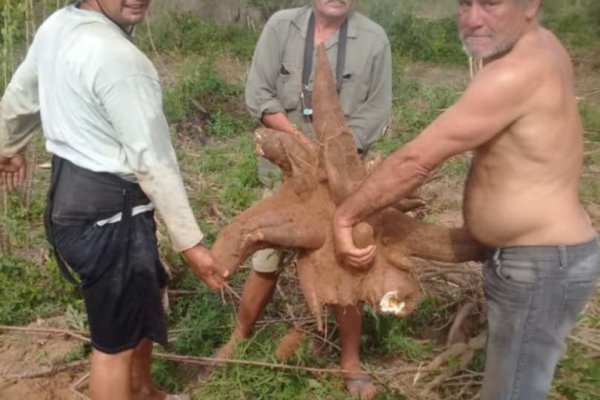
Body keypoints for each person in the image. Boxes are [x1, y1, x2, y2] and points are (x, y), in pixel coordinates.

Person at [333, 0, 600, 399]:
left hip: (540, 266)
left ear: (530, 5)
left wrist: (345, 215)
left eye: (490, 3)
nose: (473, 18)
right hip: (534, 260)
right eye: (465, 3)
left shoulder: (513, 73)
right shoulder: (542, 45)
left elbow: (415, 161)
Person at [0, 1, 229, 399]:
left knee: (139, 302)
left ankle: (143, 391)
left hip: (72, 207)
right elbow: (153, 161)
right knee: (114, 345)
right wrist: (190, 244)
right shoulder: (122, 61)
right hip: (110, 217)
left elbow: (22, 96)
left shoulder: (59, 25)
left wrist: (6, 145)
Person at [212, 0, 392, 398]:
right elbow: (258, 94)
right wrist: (299, 142)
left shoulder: (374, 40)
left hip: (344, 182)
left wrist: (334, 156)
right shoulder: (281, 27)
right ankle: (239, 337)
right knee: (265, 258)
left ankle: (350, 361)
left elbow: (376, 110)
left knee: (348, 262)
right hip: (286, 176)